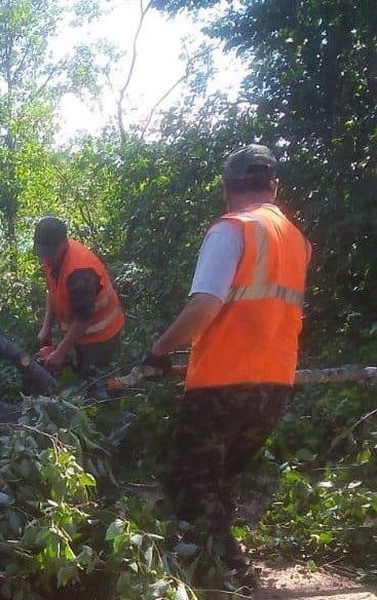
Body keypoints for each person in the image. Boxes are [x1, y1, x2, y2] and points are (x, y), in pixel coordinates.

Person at [144, 144, 311, 591]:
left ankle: (233, 580)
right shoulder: (296, 239)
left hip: (222, 382)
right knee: (218, 484)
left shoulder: (231, 230)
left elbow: (206, 305)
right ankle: (204, 571)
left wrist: (159, 350)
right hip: (274, 384)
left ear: (226, 187)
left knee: (187, 481)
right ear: (274, 186)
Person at [34, 215, 124, 394]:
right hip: (79, 335)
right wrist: (46, 327)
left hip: (101, 338)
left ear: (63, 243)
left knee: (93, 386)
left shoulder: (79, 272)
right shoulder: (49, 258)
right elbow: (52, 289)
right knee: (75, 379)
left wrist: (60, 352)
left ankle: (104, 411)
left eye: (51, 253)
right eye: (43, 253)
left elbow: (84, 318)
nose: (47, 259)